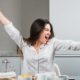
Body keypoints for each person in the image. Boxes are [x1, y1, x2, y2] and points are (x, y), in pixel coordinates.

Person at [0, 11, 80, 75]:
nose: (49, 32)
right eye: (46, 30)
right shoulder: (24, 44)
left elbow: (71, 44)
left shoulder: (52, 43)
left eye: (50, 30)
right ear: (38, 30)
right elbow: (10, 28)